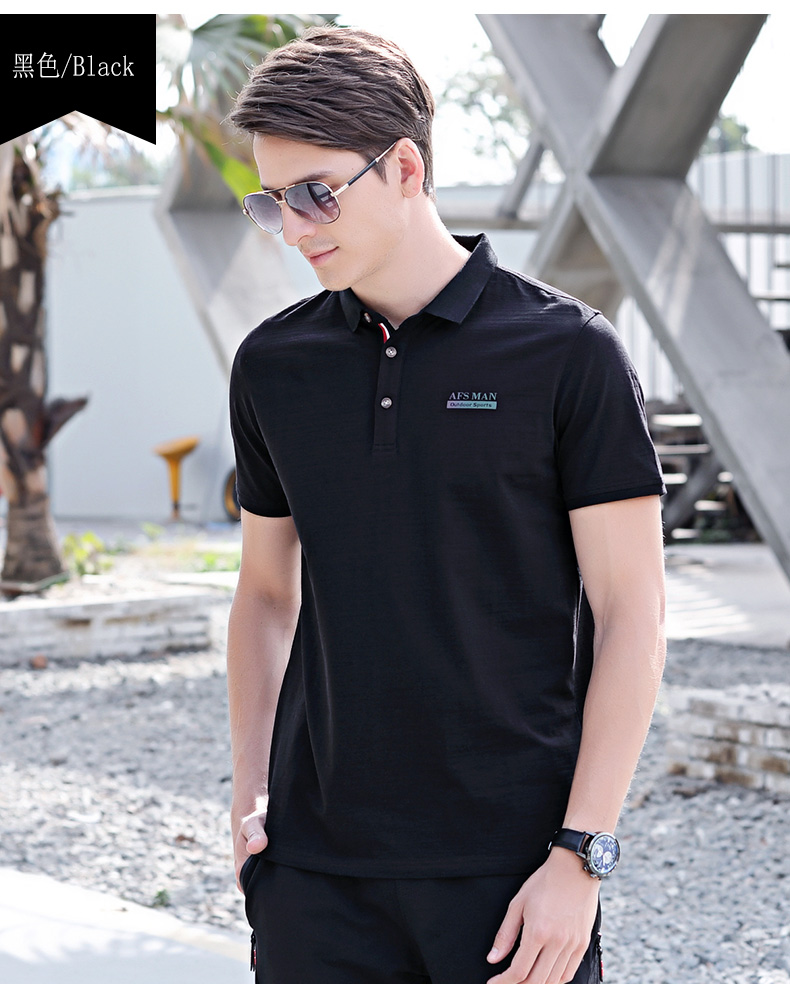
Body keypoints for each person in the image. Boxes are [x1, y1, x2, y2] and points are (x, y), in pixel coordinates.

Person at [225, 25, 666, 985]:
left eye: (315, 193)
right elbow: (264, 592)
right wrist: (251, 790)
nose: (294, 228)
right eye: (272, 201)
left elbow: (633, 612)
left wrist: (581, 855)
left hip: (513, 875)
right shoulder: (273, 366)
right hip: (313, 874)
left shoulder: (569, 353)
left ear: (406, 168)